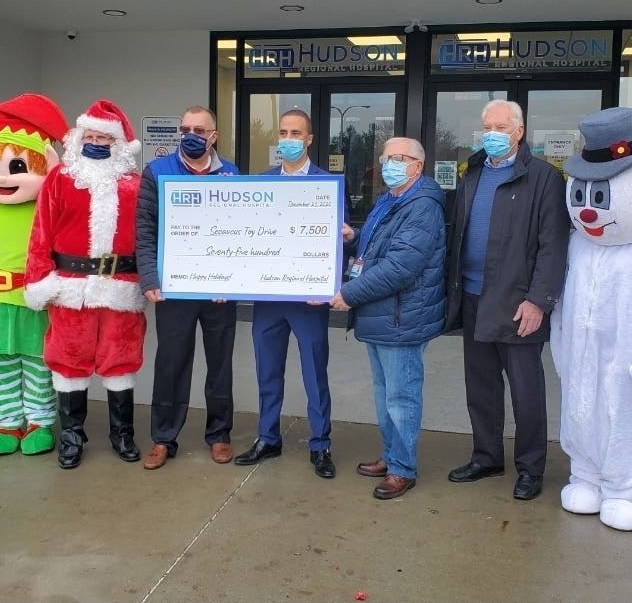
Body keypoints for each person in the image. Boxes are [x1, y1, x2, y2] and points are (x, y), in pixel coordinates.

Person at [551, 107, 632, 530]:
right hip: (583, 360)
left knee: (628, 421)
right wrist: (562, 347)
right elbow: (562, 302)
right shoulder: (578, 245)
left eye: (601, 198)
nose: (589, 212)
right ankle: (587, 476)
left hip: (629, 364)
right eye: (583, 198)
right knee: (582, 414)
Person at [445, 99, 569, 501]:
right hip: (473, 296)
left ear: (519, 131)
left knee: (525, 391)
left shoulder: (544, 177)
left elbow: (553, 245)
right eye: (487, 128)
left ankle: (531, 468)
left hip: (518, 304)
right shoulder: (472, 172)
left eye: (500, 128)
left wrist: (538, 301)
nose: (492, 135)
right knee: (480, 386)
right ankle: (487, 457)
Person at [25, 99, 147, 469]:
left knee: (120, 359)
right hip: (70, 288)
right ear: (79, 138)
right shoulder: (60, 179)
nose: (95, 142)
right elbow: (40, 233)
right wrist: (39, 279)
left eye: (103, 137)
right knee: (68, 362)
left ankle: (122, 433)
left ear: (118, 144)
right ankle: (72, 436)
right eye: (89, 136)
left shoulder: (136, 186)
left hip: (121, 287)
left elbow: (148, 237)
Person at [330, 137, 446, 500]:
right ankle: (392, 455)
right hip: (383, 315)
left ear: (418, 165)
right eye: (386, 158)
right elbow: (377, 248)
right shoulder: (391, 199)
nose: (390, 164)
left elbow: (400, 267)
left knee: (401, 397)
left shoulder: (422, 206)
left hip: (401, 317)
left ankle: (403, 469)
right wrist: (354, 237)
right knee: (385, 395)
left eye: (399, 158)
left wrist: (349, 294)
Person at [234, 109, 347, 479]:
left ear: (309, 139)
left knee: (315, 374)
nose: (288, 139)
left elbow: (340, 243)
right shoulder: (260, 183)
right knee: (267, 372)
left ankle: (320, 444)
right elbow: (245, 237)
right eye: (283, 132)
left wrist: (339, 259)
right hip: (268, 300)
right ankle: (268, 437)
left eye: (296, 133)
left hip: (308, 302)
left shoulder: (328, 185)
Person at [0, 93, 68, 457]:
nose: (0, 176)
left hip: (33, 305)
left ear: (46, 165)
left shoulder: (46, 207)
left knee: (37, 366)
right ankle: (6, 423)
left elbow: (60, 251)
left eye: (17, 166)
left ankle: (39, 422)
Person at [135, 106, 239, 470]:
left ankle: (220, 435)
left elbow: (239, 230)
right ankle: (163, 438)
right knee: (171, 363)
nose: (190, 135)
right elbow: (144, 229)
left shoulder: (231, 173)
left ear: (214, 136)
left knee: (220, 364)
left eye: (199, 130)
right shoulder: (157, 171)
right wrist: (149, 278)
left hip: (219, 292)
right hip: (174, 289)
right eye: (185, 129)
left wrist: (232, 280)